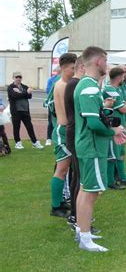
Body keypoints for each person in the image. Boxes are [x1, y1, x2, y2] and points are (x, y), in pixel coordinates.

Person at [74, 46, 125, 252]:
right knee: (91, 191)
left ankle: (81, 230)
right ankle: (85, 239)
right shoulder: (89, 87)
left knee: (86, 189)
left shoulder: (89, 85)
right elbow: (94, 124)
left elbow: (94, 116)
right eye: (106, 60)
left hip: (89, 145)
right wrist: (114, 131)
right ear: (98, 62)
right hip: (92, 146)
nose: (107, 64)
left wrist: (103, 108)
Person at [50, 53, 77, 218]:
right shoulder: (62, 85)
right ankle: (55, 206)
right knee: (61, 169)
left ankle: (60, 201)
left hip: (65, 129)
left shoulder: (64, 83)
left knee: (64, 169)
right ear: (63, 68)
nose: (74, 71)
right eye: (72, 68)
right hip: (63, 130)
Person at [64, 56, 85, 227]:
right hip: (75, 134)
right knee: (79, 177)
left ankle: (76, 214)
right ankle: (77, 216)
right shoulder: (75, 84)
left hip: (74, 133)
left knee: (77, 175)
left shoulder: (74, 84)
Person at [7, 72, 44, 150]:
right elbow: (14, 96)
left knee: (29, 126)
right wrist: (25, 93)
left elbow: (29, 96)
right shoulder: (10, 87)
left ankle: (35, 142)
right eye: (16, 77)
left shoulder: (24, 86)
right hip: (16, 111)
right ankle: (18, 143)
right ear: (13, 78)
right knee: (16, 127)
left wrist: (21, 92)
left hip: (25, 110)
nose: (18, 79)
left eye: (20, 77)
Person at [45, 67, 61, 146]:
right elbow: (48, 90)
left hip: (61, 104)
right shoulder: (51, 80)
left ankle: (58, 138)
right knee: (51, 121)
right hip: (53, 104)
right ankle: (48, 139)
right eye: (59, 71)